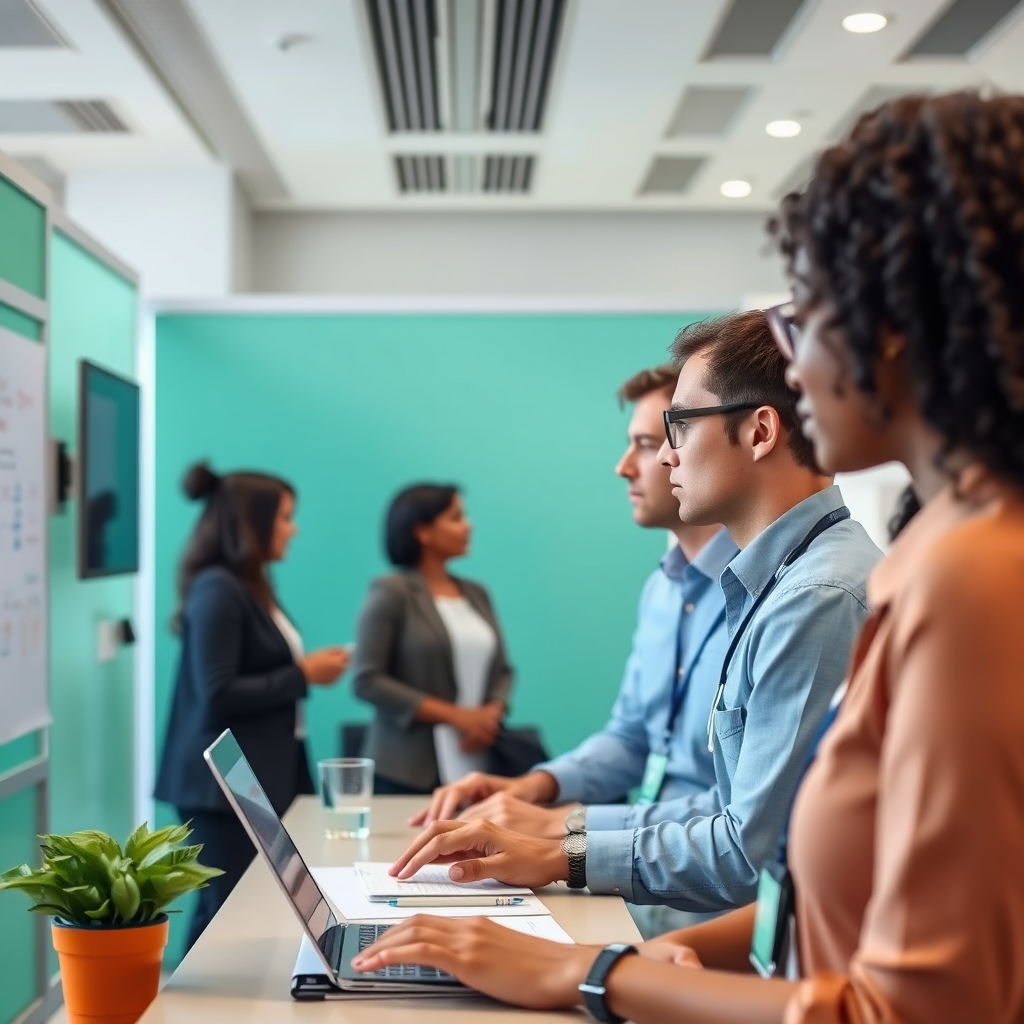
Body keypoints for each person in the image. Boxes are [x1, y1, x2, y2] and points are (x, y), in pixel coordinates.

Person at [354, 90, 1024, 1024]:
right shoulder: (936, 554)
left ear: (896, 323)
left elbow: (910, 1006)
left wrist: (588, 973)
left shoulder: (966, 579)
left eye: (805, 315)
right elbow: (815, 900)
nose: (793, 363)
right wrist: (640, 948)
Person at [383, 310, 882, 913]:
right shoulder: (780, 579)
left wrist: (560, 848)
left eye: (677, 427)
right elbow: (731, 804)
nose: (665, 458)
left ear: (760, 432)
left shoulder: (816, 596)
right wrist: (559, 830)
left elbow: (747, 850)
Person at [155, 462, 348, 950]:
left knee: (222, 910)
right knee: (228, 911)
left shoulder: (248, 587)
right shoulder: (218, 589)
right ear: (253, 522)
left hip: (252, 775)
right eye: (285, 517)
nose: (294, 528)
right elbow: (218, 692)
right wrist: (303, 674)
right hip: (220, 787)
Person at [351, 483, 514, 795]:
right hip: (408, 771)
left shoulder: (477, 593)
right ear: (422, 531)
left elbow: (503, 671)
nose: (469, 525)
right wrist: (457, 717)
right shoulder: (391, 591)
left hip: (478, 761)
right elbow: (367, 679)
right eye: (456, 517)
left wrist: (489, 717)